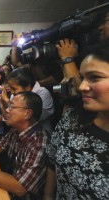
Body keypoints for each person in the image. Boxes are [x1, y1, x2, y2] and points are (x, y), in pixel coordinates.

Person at [43, 42, 109, 199]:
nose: (82, 86)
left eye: (95, 77)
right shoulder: (72, 119)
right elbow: (52, 163)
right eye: (83, 77)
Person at [0, 91, 48, 200]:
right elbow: (0, 145)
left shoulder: (39, 143)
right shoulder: (17, 129)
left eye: (11, 106)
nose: (7, 110)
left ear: (27, 114)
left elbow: (20, 187)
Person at [0, 67, 54, 133]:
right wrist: (2, 104)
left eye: (14, 89)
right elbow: (8, 118)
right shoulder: (15, 95)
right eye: (10, 88)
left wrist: (7, 101)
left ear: (27, 87)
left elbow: (37, 117)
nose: (12, 92)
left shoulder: (42, 92)